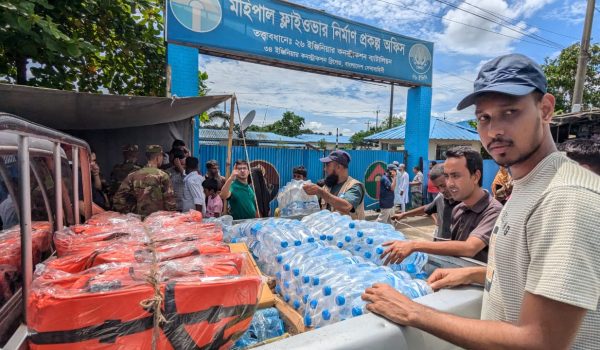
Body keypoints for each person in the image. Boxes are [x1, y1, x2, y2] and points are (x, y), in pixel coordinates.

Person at [362, 54, 600, 349]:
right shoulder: (531, 184)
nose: (494, 130)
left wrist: (413, 312)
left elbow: (540, 342)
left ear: (546, 109)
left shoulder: (566, 198)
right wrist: (477, 273)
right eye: (483, 117)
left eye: (510, 112)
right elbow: (531, 271)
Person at [382, 147, 501, 264]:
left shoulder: (493, 211)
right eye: (447, 177)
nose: (449, 184)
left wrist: (414, 245)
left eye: (455, 176)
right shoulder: (459, 209)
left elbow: (470, 248)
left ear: (475, 177)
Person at [392, 164, 459, 241]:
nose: (441, 190)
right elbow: (426, 208)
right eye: (437, 187)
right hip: (440, 241)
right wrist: (404, 214)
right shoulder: (440, 198)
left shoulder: (466, 203)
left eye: (443, 185)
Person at [113, 145, 176, 217]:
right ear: (158, 157)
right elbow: (170, 200)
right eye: (162, 157)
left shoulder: (133, 175)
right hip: (158, 220)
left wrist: (130, 212)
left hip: (139, 220)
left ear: (147, 157)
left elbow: (118, 198)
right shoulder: (163, 175)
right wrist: (170, 216)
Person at [303, 150, 366, 220]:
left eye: (327, 165)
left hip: (350, 231)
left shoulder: (355, 186)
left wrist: (320, 191)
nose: (325, 169)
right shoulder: (327, 187)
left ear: (339, 167)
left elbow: (346, 206)